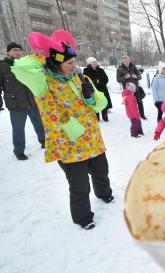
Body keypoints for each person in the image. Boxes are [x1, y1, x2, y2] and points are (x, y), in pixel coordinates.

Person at [12, 30, 113, 229]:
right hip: (68, 143)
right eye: (69, 63)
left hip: (91, 137)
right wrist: (45, 54)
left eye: (75, 61)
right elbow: (20, 67)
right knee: (79, 184)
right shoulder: (42, 82)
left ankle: (104, 194)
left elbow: (100, 103)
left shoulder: (80, 78)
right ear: (55, 62)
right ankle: (83, 217)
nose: (74, 66)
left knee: (101, 171)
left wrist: (92, 98)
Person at [0, 42, 45, 160]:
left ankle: (44, 141)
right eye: (15, 50)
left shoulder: (27, 63)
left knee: (39, 124)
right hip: (16, 104)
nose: (18, 52)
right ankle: (19, 151)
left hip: (32, 100)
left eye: (20, 50)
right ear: (8, 52)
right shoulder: (3, 66)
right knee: (18, 129)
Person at [116, 55, 147, 120]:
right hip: (127, 91)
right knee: (130, 104)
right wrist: (125, 77)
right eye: (125, 61)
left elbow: (140, 77)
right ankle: (132, 116)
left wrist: (136, 76)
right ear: (122, 62)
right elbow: (118, 80)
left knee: (139, 102)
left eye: (127, 61)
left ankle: (142, 115)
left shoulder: (133, 67)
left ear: (129, 61)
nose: (126, 62)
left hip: (136, 89)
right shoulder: (120, 69)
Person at [83, 57, 112, 122]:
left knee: (103, 102)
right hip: (93, 90)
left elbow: (106, 79)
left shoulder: (101, 70)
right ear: (90, 63)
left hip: (102, 88)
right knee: (96, 103)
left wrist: (101, 82)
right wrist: (95, 81)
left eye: (96, 62)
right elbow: (86, 80)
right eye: (93, 62)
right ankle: (97, 117)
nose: (95, 63)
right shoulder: (86, 70)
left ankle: (105, 116)